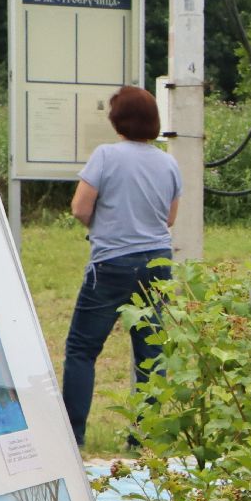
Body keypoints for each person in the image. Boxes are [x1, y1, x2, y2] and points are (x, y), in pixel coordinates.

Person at [61, 85, 181, 448]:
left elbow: (80, 207)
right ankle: (142, 438)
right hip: (157, 262)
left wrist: (104, 225)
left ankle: (73, 436)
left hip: (111, 262)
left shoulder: (105, 156)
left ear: (118, 120)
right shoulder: (168, 162)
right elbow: (169, 218)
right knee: (150, 352)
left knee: (82, 349)